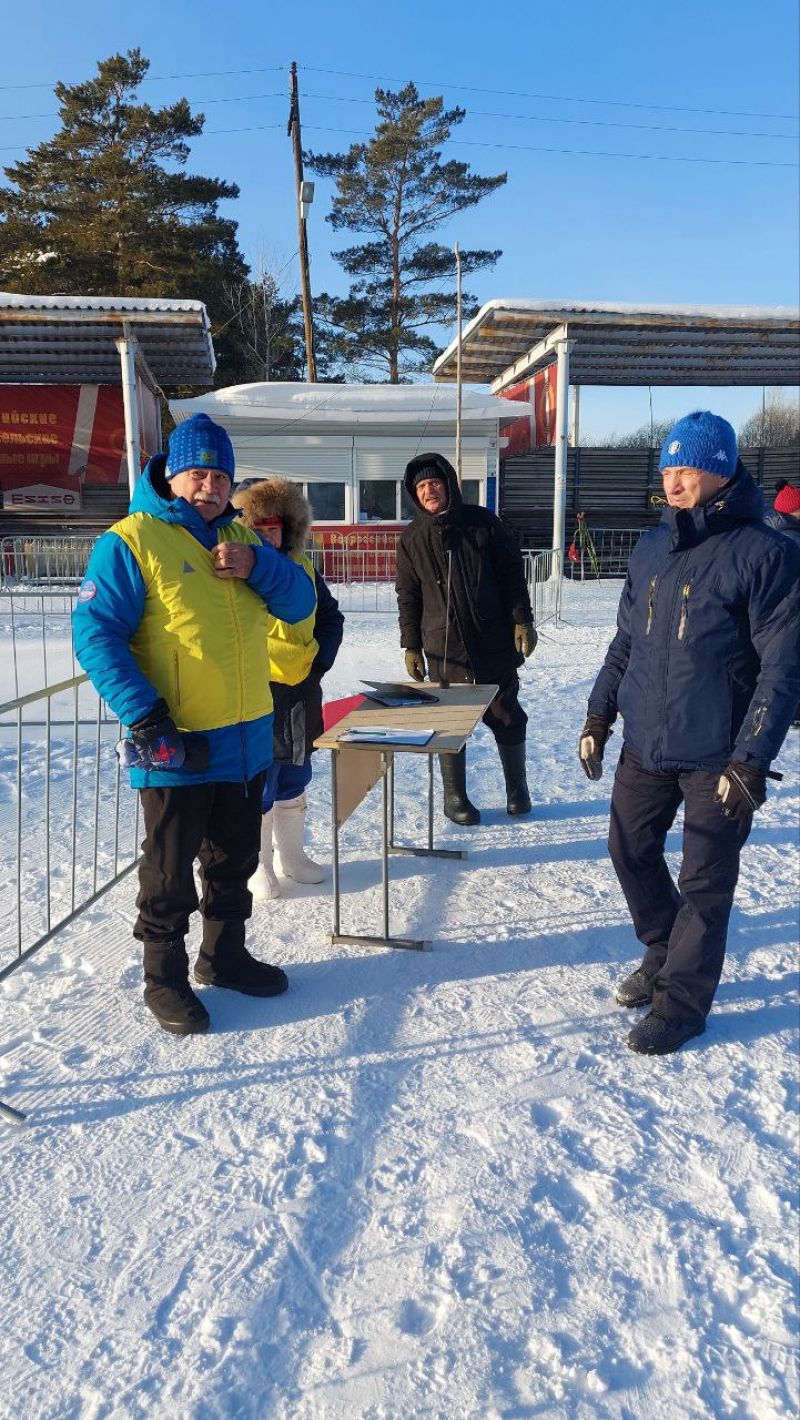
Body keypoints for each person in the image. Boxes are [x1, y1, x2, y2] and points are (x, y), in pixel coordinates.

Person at [72, 413, 316, 1036]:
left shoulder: (241, 537)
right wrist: (144, 714)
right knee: (169, 871)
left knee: (234, 859)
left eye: (221, 476)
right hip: (174, 742)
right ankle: (164, 978)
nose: (210, 486)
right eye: (198, 474)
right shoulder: (130, 541)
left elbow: (299, 603)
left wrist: (257, 565)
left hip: (247, 737)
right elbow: (96, 635)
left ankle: (223, 957)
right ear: (172, 475)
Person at [579, 411, 800, 1055]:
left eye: (687, 471)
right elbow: (625, 642)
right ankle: (661, 952)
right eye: (667, 470)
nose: (673, 484)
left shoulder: (766, 552)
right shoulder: (653, 547)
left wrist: (751, 759)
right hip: (646, 741)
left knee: (705, 883)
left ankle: (681, 1005)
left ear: (721, 471)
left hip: (720, 755)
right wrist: (599, 713)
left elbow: (782, 668)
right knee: (629, 851)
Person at [395, 451, 538, 824]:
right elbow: (407, 596)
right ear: (414, 494)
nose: (429, 491)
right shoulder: (411, 538)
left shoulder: (482, 523)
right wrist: (411, 644)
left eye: (434, 483)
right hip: (443, 647)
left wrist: (522, 620)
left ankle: (517, 790)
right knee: (451, 722)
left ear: (449, 485)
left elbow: (511, 575)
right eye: (421, 487)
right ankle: (455, 797)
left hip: (492, 640)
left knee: (507, 715)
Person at [232, 477, 344, 899]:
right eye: (258, 530)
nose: (267, 538)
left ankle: (291, 856)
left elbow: (330, 617)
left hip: (302, 688)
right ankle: (258, 864)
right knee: (262, 779)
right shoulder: (235, 574)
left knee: (296, 773)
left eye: (274, 529)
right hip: (257, 688)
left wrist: (320, 661)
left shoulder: (304, 568)